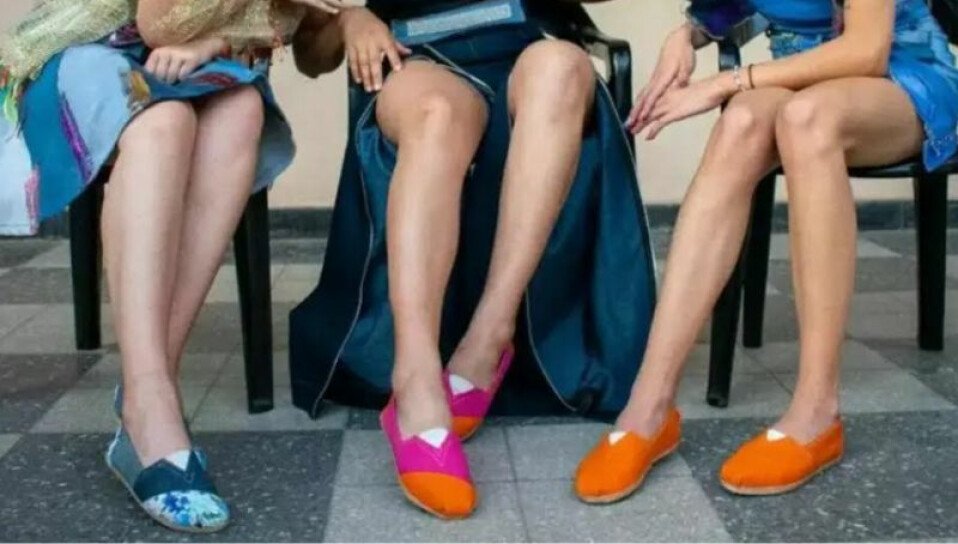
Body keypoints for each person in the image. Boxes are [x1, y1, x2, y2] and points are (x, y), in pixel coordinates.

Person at [575, 0, 958, 502]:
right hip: (802, 76)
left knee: (806, 119)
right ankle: (649, 408)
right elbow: (727, 9)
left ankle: (816, 413)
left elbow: (866, 50)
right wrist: (684, 36)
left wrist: (725, 83)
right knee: (741, 123)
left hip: (902, 74)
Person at [290, 0, 656, 519]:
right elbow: (310, 54)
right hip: (417, 58)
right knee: (437, 113)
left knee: (563, 67)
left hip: (525, 45)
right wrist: (351, 19)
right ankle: (415, 385)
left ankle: (488, 339)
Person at [0, 0, 340, 533]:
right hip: (86, 50)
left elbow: (312, 56)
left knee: (242, 109)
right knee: (164, 122)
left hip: (194, 61)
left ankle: (145, 396)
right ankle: (151, 402)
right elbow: (158, 25)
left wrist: (346, 20)